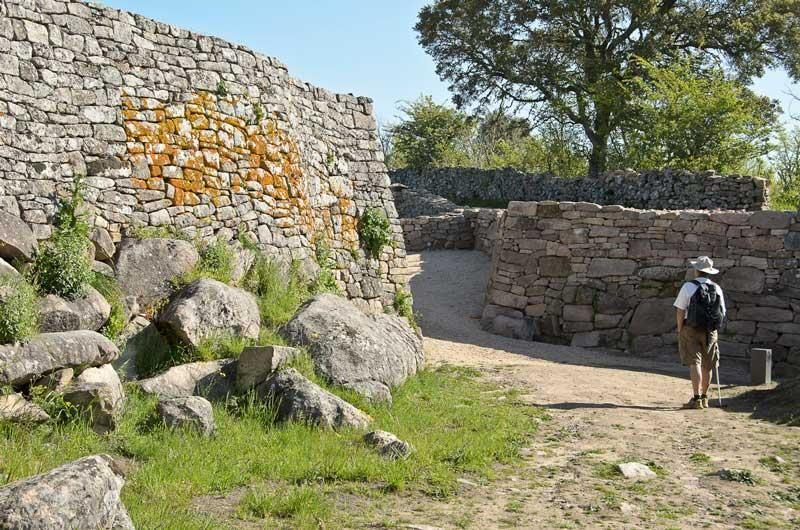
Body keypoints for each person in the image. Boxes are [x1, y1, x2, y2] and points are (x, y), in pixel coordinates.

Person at [673, 256, 726, 409]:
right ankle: (705, 397)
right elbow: (722, 311)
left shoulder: (688, 287)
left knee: (694, 362)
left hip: (691, 328)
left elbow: (680, 310)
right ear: (709, 272)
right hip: (710, 330)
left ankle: (696, 399)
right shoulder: (717, 288)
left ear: (697, 271)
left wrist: (679, 328)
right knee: (708, 365)